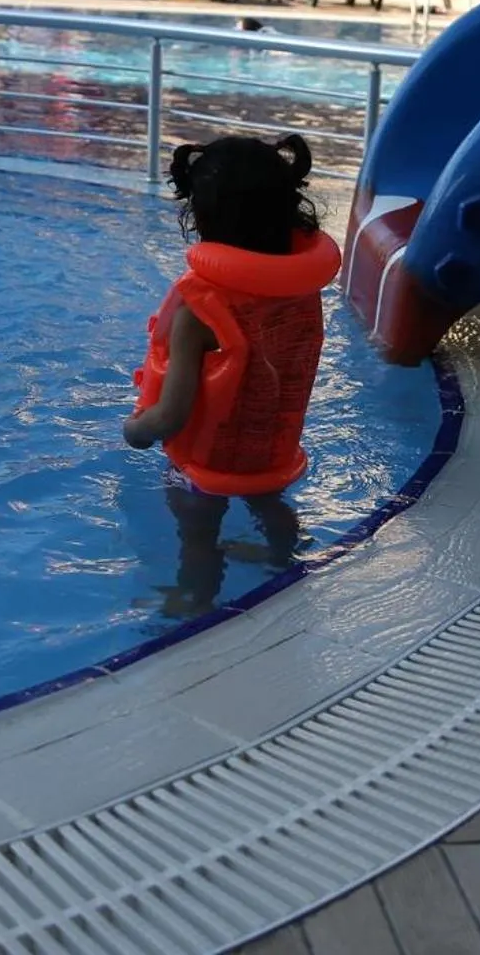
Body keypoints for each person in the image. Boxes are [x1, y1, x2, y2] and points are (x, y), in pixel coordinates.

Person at [124, 134, 343, 617]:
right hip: (273, 450)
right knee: (271, 504)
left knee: (198, 532)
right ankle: (282, 557)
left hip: (210, 465)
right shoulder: (300, 288)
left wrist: (136, 430)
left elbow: (171, 415)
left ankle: (195, 598)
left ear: (200, 217)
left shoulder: (200, 312)